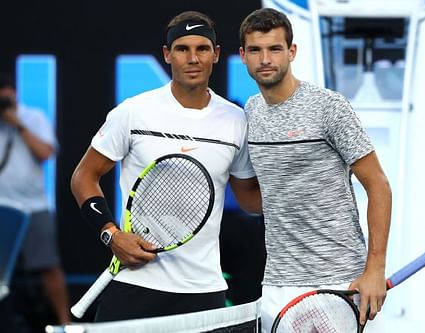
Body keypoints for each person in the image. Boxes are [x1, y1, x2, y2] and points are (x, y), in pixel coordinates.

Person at [70, 10, 261, 322]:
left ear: (215, 55)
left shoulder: (236, 121)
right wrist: (111, 234)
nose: (193, 58)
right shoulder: (133, 112)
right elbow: (83, 176)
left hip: (204, 290)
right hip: (135, 284)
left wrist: (306, 188)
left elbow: (250, 200)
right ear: (167, 54)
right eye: (183, 49)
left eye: (202, 49)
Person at [239, 8, 392, 332]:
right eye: (256, 50)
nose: (265, 58)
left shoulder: (329, 107)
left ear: (291, 52)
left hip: (339, 281)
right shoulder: (250, 112)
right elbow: (255, 201)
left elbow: (378, 185)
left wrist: (375, 269)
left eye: (275, 49)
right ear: (243, 56)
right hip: (277, 284)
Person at [0, 74, 71, 325]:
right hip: (2, 206)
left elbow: (45, 152)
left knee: (48, 266)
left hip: (34, 205)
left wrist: (17, 124)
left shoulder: (33, 117)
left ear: (13, 93)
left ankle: (66, 323)